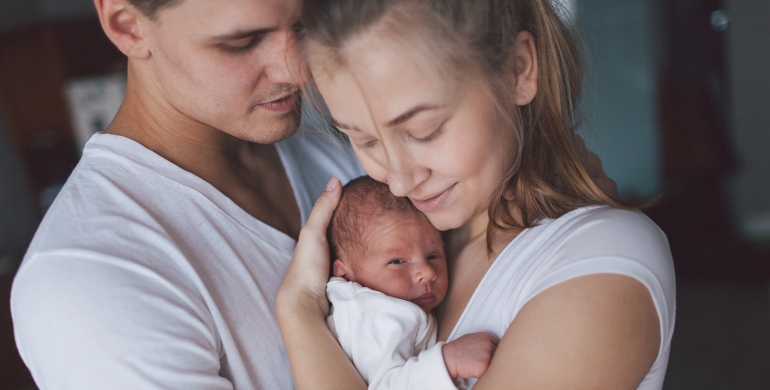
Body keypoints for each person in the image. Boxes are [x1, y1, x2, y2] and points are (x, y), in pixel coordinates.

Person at [276, 0, 676, 390]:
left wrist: (299, 316)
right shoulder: (407, 249)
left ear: (518, 69)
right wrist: (298, 304)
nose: (399, 182)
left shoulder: (600, 261)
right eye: (363, 140)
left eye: (424, 130)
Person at [10, 0, 367, 389]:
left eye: (302, 26)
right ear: (127, 26)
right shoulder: (85, 279)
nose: (298, 69)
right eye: (241, 42)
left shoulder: (341, 138)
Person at [325, 176, 498, 390]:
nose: (427, 272)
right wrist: (446, 362)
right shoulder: (369, 315)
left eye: (433, 255)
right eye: (397, 261)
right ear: (345, 276)